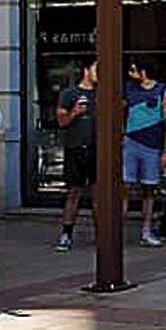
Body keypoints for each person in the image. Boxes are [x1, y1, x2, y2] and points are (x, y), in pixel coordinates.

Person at [123, 58, 166, 248]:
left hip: (152, 146)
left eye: (133, 69)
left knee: (149, 189)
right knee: (125, 187)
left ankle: (146, 230)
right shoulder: (128, 89)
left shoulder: (163, 92)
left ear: (143, 71)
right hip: (130, 142)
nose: (130, 72)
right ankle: (118, 231)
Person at [55, 58, 97, 252]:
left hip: (97, 148)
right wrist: (75, 113)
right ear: (86, 70)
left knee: (99, 194)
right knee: (74, 192)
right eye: (97, 68)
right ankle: (66, 233)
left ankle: (102, 234)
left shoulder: (102, 93)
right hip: (75, 148)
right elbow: (61, 120)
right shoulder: (70, 93)